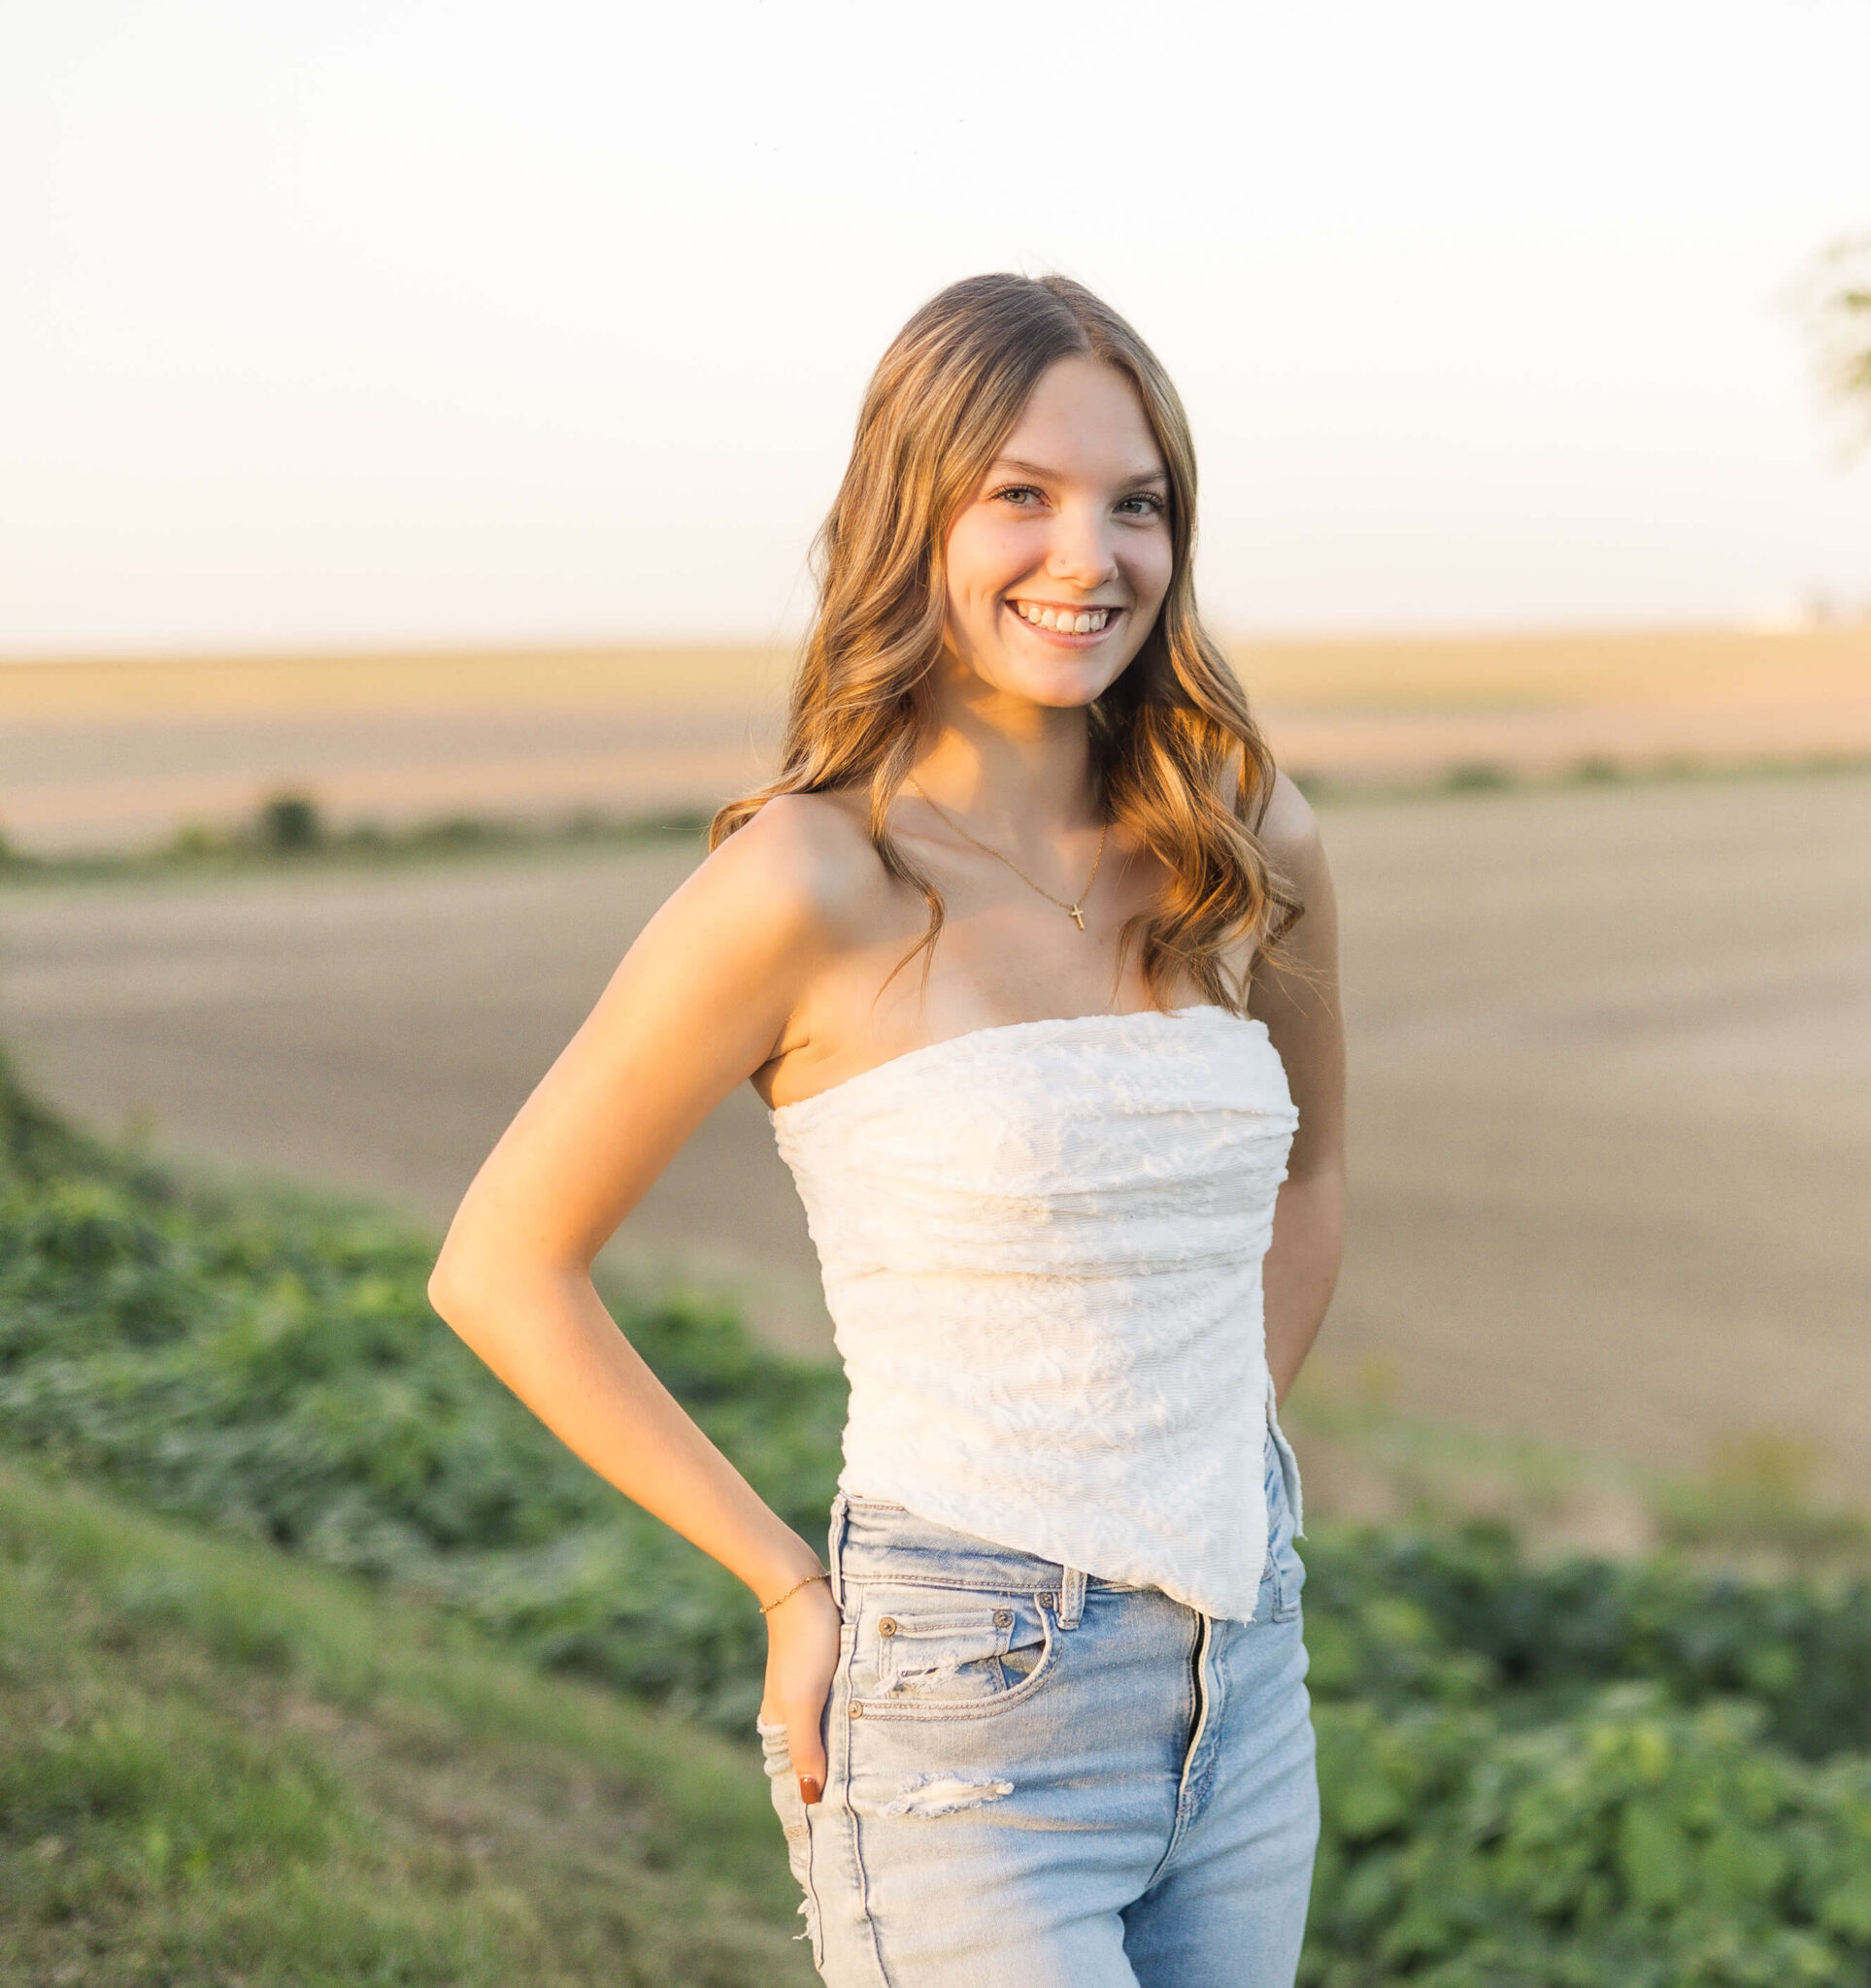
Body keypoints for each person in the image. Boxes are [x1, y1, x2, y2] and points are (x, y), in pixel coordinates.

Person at [427, 272, 1345, 1986]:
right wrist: (786, 1588)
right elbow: (502, 1267)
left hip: (1248, 1665)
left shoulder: (1244, 835)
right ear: (907, 514)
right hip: (962, 1699)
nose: (1092, 556)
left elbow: (1315, 1172)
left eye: (1136, 504)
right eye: (1024, 494)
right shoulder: (803, 879)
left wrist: (1203, 1464)